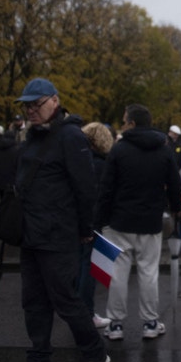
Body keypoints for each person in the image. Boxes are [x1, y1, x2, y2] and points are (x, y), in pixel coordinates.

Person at [0, 78, 110, 362]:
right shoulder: (32, 137)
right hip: (31, 234)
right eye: (27, 105)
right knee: (33, 301)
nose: (31, 110)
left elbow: (86, 188)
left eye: (37, 104)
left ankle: (95, 353)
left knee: (66, 300)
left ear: (55, 101)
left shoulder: (71, 136)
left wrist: (85, 229)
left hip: (58, 235)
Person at [95, 104, 181, 341]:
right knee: (149, 273)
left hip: (119, 221)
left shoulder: (119, 150)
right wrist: (176, 210)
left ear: (132, 123)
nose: (123, 124)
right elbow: (175, 186)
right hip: (150, 221)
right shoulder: (164, 150)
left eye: (124, 120)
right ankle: (150, 322)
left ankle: (115, 324)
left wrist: (98, 221)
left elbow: (106, 189)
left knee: (118, 274)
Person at [77, 122, 115, 330]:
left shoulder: (78, 160)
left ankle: (79, 310)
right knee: (88, 267)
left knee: (78, 265)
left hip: (75, 219)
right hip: (93, 220)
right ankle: (87, 312)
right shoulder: (101, 164)